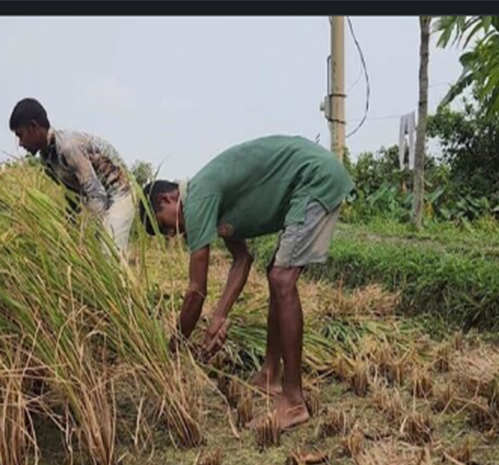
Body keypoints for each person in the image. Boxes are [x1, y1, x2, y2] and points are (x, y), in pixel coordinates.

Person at [143, 136, 353, 433]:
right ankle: (270, 374)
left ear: (167, 199)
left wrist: (174, 348)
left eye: (165, 226)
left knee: (282, 279)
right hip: (307, 181)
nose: (172, 234)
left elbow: (196, 291)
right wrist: (219, 318)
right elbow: (242, 260)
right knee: (275, 276)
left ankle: (294, 402)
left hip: (314, 179)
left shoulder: (198, 198)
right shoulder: (211, 197)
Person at [8, 98, 137, 263]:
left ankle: (124, 288)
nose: (20, 143)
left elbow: (96, 193)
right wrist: (70, 229)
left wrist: (88, 235)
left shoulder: (69, 147)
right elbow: (73, 195)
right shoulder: (47, 161)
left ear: (33, 127)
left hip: (120, 192)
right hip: (101, 196)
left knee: (109, 253)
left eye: (20, 135)